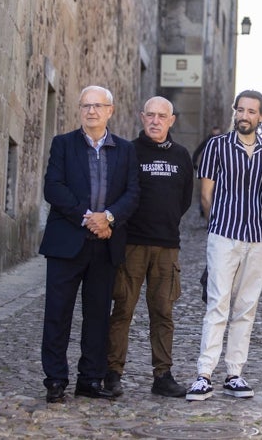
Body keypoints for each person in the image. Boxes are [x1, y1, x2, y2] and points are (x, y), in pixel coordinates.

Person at [39, 85, 140, 403]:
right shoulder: (63, 144)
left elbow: (133, 193)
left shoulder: (125, 150)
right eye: (86, 106)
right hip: (66, 242)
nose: (91, 111)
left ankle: (90, 379)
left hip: (105, 245)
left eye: (98, 106)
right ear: (79, 110)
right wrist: (88, 218)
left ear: (110, 110)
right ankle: (55, 379)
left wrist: (108, 218)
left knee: (97, 316)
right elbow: (53, 188)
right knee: (58, 314)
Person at [186, 90, 262, 401]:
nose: (245, 116)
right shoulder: (216, 147)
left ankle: (235, 373)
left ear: (261, 117)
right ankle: (204, 374)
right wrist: (220, 227)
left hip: (259, 237)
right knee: (218, 304)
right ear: (234, 112)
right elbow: (206, 196)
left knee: (247, 307)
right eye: (241, 110)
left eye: (252, 111)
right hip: (224, 235)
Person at [105, 96, 194, 398]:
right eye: (150, 115)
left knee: (163, 312)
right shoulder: (127, 151)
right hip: (132, 244)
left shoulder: (182, 156)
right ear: (142, 117)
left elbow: (183, 200)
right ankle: (113, 372)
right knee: (122, 310)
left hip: (167, 247)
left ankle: (163, 375)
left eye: (162, 116)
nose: (155, 121)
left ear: (172, 120)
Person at [192, 126, 222, 218]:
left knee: (214, 192)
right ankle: (204, 211)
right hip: (208, 169)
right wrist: (194, 164)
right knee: (206, 192)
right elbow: (197, 152)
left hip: (219, 171)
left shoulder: (223, 141)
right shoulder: (208, 140)